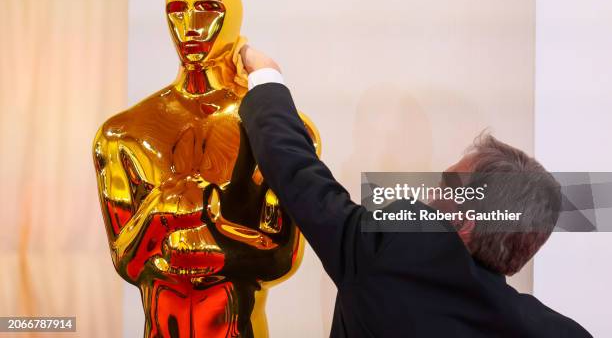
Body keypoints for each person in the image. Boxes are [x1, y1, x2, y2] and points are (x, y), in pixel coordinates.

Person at [237, 45, 592, 337]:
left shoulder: (394, 254)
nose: (429, 197)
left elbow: (298, 174)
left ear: (466, 223)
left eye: (445, 187)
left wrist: (266, 76)